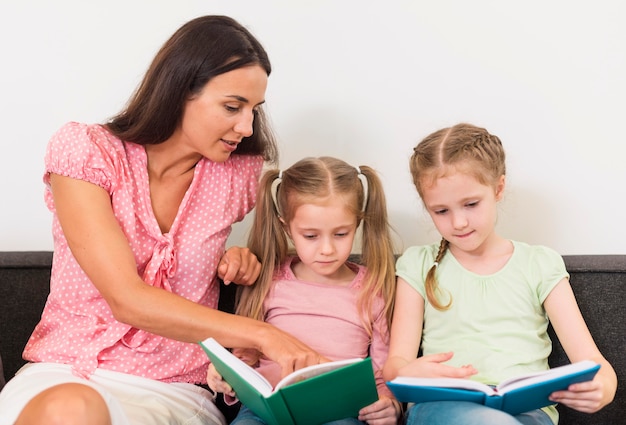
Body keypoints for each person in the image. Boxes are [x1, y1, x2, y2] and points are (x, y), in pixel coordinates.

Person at [0, 15, 324, 425]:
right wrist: (264, 335)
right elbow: (127, 298)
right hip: (65, 370)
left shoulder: (236, 176)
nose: (246, 126)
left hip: (171, 388)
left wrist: (241, 259)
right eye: (232, 106)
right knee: (71, 408)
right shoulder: (87, 152)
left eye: (253, 110)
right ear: (179, 91)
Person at [382, 123, 617, 425]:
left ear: (498, 188)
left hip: (529, 412)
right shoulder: (418, 264)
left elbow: (593, 361)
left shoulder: (539, 264)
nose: (459, 222)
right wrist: (407, 371)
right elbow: (394, 366)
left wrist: (604, 388)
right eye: (441, 211)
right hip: (442, 406)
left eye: (471, 204)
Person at [207, 157, 402, 424]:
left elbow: (381, 373)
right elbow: (246, 355)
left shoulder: (373, 288)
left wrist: (389, 404)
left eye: (341, 234)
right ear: (286, 227)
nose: (327, 249)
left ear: (357, 223)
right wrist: (225, 377)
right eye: (311, 236)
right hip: (266, 410)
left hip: (338, 411)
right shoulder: (270, 280)